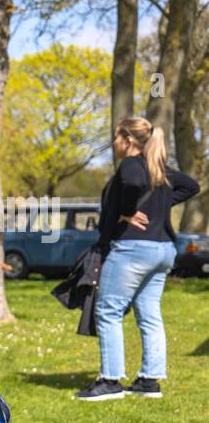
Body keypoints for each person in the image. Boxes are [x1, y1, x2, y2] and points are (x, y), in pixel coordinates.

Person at [75, 116, 199, 402]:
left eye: (116, 137)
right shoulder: (159, 169)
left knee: (108, 311)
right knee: (149, 314)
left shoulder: (131, 165)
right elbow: (191, 185)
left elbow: (131, 182)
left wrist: (127, 210)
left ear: (128, 140)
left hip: (132, 249)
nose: (113, 143)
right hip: (163, 249)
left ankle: (110, 380)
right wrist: (161, 204)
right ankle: (149, 381)